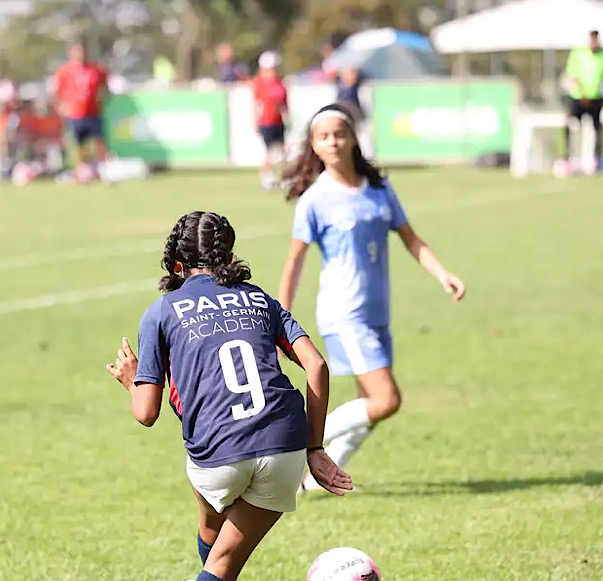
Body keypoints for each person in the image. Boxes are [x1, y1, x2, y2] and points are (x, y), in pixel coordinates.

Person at [107, 211, 352, 581]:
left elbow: (146, 413)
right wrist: (314, 448)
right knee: (218, 550)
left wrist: (131, 381)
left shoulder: (159, 312)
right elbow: (316, 365)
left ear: (176, 265)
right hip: (283, 447)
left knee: (218, 558)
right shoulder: (259, 299)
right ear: (228, 257)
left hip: (216, 454)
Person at [277, 103, 466, 492]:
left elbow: (411, 239)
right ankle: (295, 448)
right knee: (386, 400)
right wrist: (280, 318)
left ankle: (316, 482)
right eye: (323, 136)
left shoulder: (379, 189)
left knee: (371, 410)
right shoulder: (315, 199)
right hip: (344, 313)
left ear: (353, 139)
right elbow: (294, 262)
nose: (332, 142)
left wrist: (442, 273)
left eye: (339, 134)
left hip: (378, 312)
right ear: (314, 144)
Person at [52, 44, 110, 180]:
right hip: (75, 114)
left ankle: (104, 173)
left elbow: (105, 87)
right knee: (78, 145)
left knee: (99, 143)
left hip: (93, 113)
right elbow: (56, 92)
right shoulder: (64, 71)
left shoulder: (95, 69)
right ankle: (79, 175)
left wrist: (102, 101)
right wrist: (61, 107)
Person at [563, 30, 603, 169]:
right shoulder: (578, 54)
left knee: (597, 127)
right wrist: (582, 94)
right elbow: (573, 75)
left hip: (596, 98)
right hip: (579, 97)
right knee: (571, 124)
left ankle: (596, 158)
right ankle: (569, 156)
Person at [251, 51, 288, 191]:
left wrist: (286, 115)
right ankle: (268, 178)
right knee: (266, 152)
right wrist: (255, 121)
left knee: (282, 152)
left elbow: (285, 104)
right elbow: (256, 104)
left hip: (279, 122)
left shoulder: (280, 83)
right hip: (266, 122)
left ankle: (285, 178)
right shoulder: (259, 84)